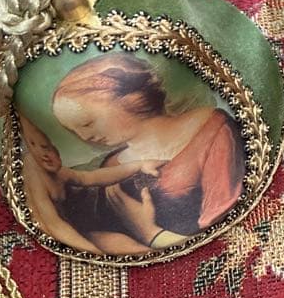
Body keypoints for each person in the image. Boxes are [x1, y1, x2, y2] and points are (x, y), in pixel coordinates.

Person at [50, 53, 245, 252]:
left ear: (129, 98)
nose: (85, 136)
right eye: (74, 131)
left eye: (87, 123)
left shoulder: (212, 130)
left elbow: (225, 236)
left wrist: (149, 233)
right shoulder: (112, 165)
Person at [18, 115, 164, 254]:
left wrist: (139, 165)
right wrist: (92, 252)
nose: (44, 154)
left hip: (78, 232)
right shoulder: (33, 176)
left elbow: (91, 177)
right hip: (57, 238)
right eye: (34, 146)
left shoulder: (60, 172)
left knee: (124, 244)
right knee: (103, 250)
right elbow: (54, 225)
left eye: (46, 147)